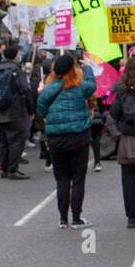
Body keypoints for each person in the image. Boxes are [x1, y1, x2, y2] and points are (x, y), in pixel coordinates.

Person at [37, 52, 96, 227]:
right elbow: (92, 85)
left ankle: (63, 219)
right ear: (73, 69)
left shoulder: (48, 90)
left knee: (62, 179)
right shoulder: (80, 87)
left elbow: (40, 112)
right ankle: (77, 217)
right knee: (78, 179)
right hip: (79, 136)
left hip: (56, 138)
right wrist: (87, 67)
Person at [111, 55, 135, 227]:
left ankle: (131, 216)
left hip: (127, 136)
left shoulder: (121, 88)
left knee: (128, 179)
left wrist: (121, 125)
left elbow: (114, 111)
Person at [0, 43, 32, 180]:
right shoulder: (16, 70)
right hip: (16, 110)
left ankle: (4, 168)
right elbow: (25, 90)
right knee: (17, 140)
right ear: (16, 56)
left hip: (0, 108)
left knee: (5, 141)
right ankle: (12, 170)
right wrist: (30, 108)